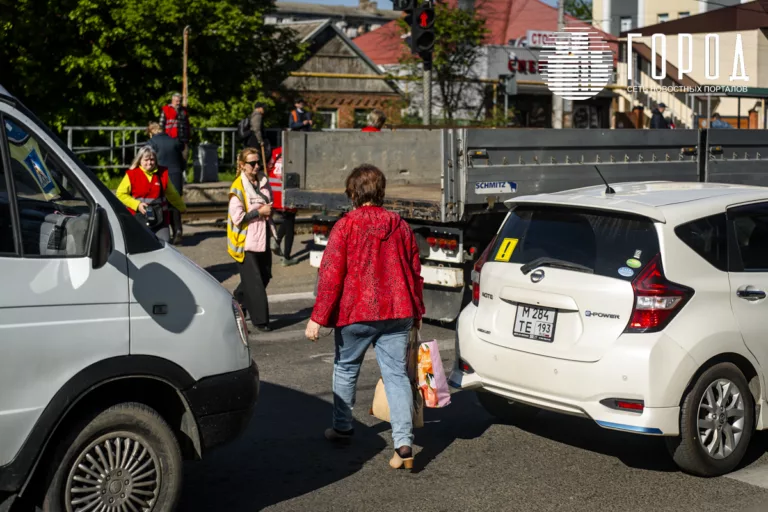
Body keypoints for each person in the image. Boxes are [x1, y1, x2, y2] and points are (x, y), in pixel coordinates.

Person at [305, 164, 425, 470]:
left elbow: (331, 275)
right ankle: (404, 444)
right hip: (397, 311)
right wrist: (417, 311)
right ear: (380, 191)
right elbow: (414, 271)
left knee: (346, 369)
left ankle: (343, 428)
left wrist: (317, 317)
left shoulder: (345, 226)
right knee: (397, 376)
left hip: (356, 312)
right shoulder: (399, 225)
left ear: (353, 193)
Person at [228, 148, 276, 332]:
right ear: (242, 165)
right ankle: (261, 320)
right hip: (245, 240)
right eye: (252, 163)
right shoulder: (237, 188)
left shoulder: (263, 181)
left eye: (258, 163)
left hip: (262, 236)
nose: (257, 166)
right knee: (255, 281)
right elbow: (237, 217)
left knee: (265, 275)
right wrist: (259, 212)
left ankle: (238, 298)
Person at [116, 146, 186, 242]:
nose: (149, 163)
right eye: (146, 160)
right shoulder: (131, 174)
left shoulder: (162, 173)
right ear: (140, 160)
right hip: (138, 218)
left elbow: (172, 194)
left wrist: (182, 207)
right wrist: (137, 205)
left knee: (163, 243)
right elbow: (120, 194)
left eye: (152, 159)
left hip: (161, 218)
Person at [148, 122, 185, 244]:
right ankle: (178, 230)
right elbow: (181, 160)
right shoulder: (173, 141)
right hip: (176, 175)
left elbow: (147, 160)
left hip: (161, 176)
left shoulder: (152, 142)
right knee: (174, 205)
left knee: (160, 205)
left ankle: (163, 234)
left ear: (151, 132)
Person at [268, 147, 298, 266]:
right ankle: (285, 255)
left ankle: (277, 242)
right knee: (290, 221)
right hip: (286, 192)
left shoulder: (276, 151)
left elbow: (270, 167)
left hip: (274, 191)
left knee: (288, 220)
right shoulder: (295, 152)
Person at [159, 92, 191, 158]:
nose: (178, 103)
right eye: (177, 101)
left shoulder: (184, 110)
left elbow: (187, 125)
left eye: (180, 101)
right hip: (170, 139)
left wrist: (188, 137)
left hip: (183, 140)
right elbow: (161, 125)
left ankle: (183, 168)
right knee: (171, 159)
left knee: (184, 158)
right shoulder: (166, 109)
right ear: (172, 101)